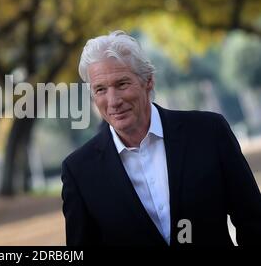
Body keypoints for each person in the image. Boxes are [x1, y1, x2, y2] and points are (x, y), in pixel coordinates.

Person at [61, 30, 261, 246]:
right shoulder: (79, 171)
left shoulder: (209, 132)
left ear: (148, 81)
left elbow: (253, 222)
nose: (113, 100)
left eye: (122, 84)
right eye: (100, 89)